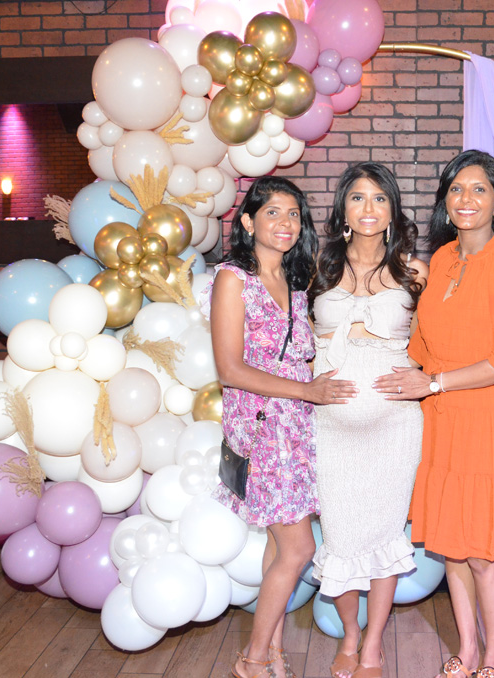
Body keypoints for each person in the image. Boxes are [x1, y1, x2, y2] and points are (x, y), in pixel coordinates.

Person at [374, 150, 494, 678]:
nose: (466, 199)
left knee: (483, 553)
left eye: (478, 189)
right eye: (456, 189)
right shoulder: (443, 260)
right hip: (442, 420)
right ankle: (468, 649)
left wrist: (434, 382)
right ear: (445, 202)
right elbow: (423, 344)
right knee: (452, 547)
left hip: (490, 420)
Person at [201, 176, 357, 678]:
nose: (286, 223)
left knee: (278, 546)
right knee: (300, 547)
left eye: (294, 214)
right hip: (263, 428)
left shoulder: (294, 281)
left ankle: (270, 651)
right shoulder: (233, 279)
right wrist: (308, 391)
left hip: (297, 428)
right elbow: (230, 369)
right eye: (273, 212)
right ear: (248, 222)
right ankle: (251, 661)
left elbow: (299, 356)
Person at [309, 162, 428, 678]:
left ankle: (373, 644)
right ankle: (350, 636)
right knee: (339, 535)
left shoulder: (415, 272)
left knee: (384, 533)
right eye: (358, 197)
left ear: (393, 210)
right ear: (343, 209)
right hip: (329, 426)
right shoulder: (316, 267)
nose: (369, 208)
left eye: (380, 198)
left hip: (395, 426)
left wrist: (424, 376)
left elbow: (435, 341)